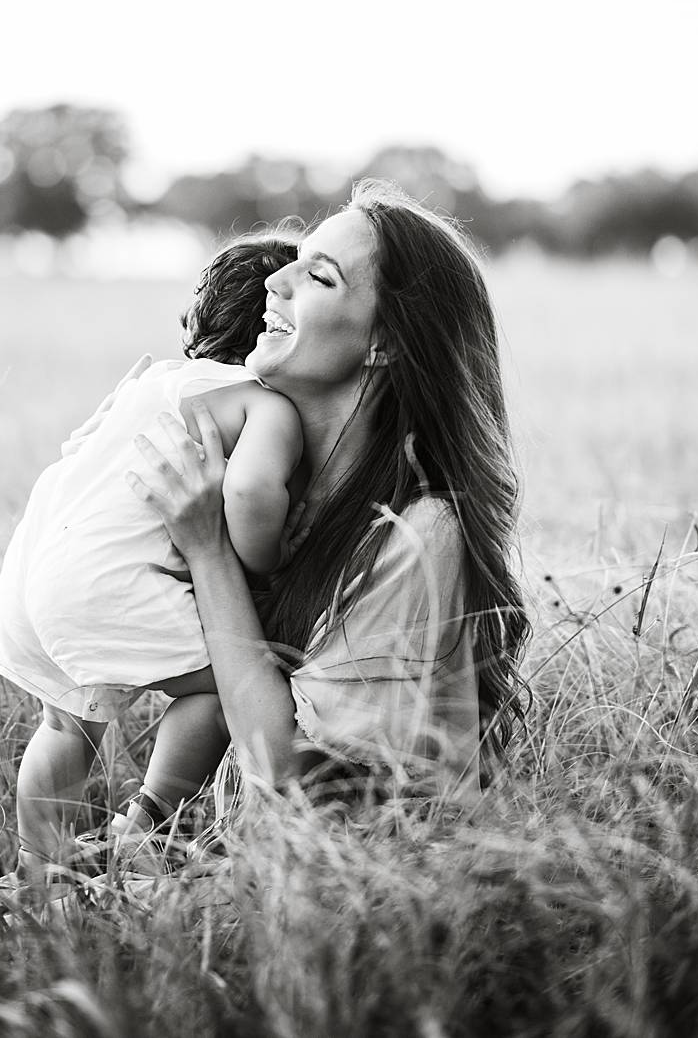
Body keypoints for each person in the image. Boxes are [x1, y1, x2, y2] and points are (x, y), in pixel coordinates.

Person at [125, 180, 527, 805]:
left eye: (321, 277)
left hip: (372, 888)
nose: (274, 281)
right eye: (295, 262)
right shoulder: (270, 492)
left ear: (385, 342)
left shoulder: (420, 530)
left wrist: (208, 552)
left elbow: (294, 775)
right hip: (262, 871)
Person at [0, 233, 302, 878]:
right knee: (227, 683)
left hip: (38, 566)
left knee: (65, 724)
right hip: (105, 586)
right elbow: (250, 497)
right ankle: (151, 821)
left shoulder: (153, 381)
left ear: (192, 321)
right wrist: (271, 557)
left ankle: (36, 865)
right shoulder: (260, 401)